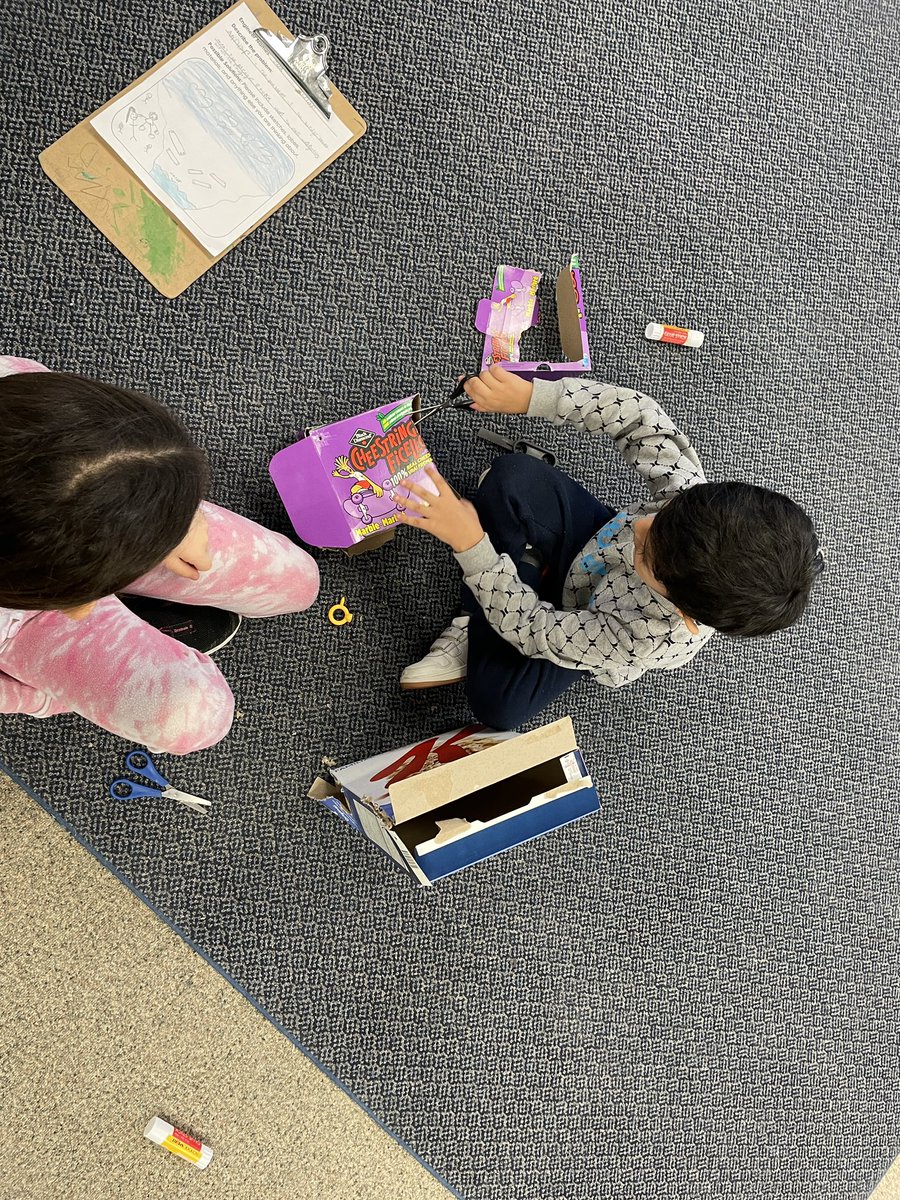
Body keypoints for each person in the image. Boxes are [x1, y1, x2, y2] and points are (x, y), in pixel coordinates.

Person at [398, 365, 823, 729]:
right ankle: (500, 590)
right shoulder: (694, 504)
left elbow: (536, 630)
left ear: (680, 605)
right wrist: (533, 396)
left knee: (498, 705)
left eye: (646, 554)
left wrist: (471, 545)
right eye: (660, 515)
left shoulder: (647, 639)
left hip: (586, 622)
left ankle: (480, 614)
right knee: (512, 477)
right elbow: (638, 416)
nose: (638, 524)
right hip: (589, 543)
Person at [0, 357, 319, 754]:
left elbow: (93, 440)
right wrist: (55, 692)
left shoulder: (16, 390)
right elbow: (17, 695)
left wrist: (175, 519)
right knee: (194, 718)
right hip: (24, 620)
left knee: (299, 581)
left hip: (90, 527)